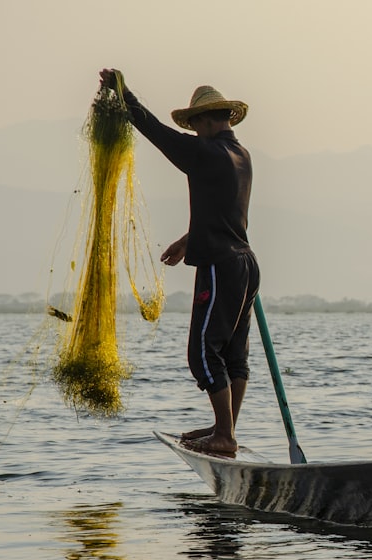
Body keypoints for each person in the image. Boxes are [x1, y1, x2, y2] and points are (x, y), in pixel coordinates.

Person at [99, 69, 259, 456]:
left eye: (195, 124)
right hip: (245, 263)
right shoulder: (241, 155)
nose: (194, 131)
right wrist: (191, 239)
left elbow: (157, 133)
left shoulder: (206, 153)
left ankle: (225, 435)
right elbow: (224, 208)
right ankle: (226, 428)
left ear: (205, 121)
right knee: (233, 355)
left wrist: (125, 96)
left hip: (222, 266)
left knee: (203, 352)